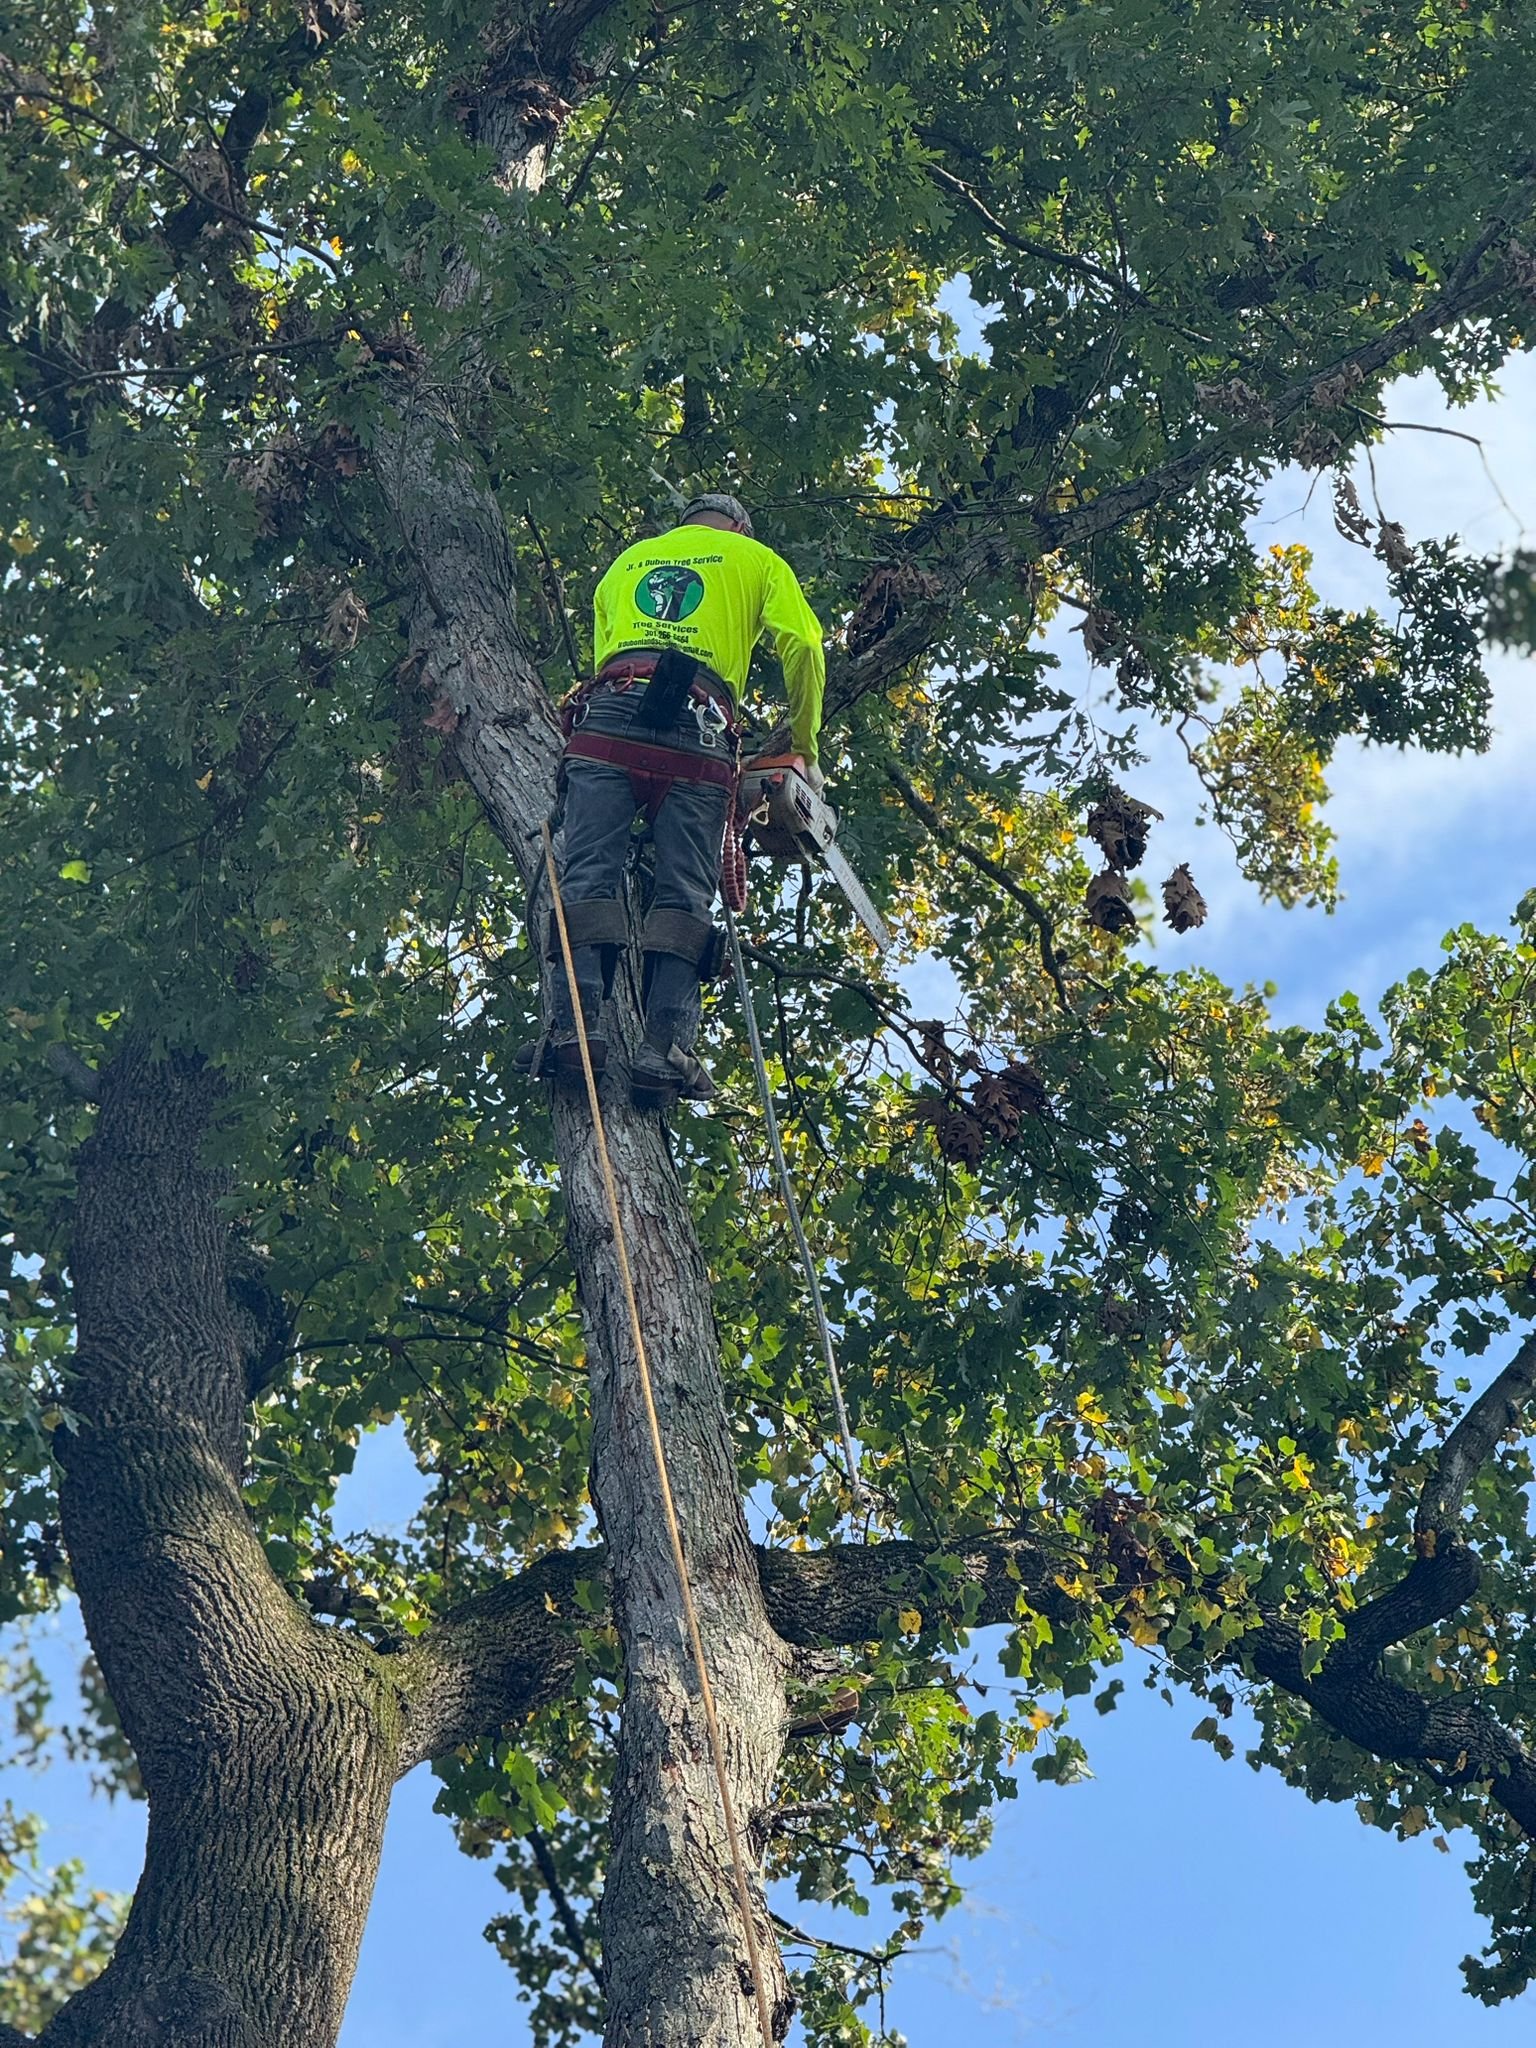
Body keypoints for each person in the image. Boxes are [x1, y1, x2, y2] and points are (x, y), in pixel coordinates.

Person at [529, 492, 826, 1111]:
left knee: (587, 875)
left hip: (608, 718)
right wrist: (804, 746)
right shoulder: (755, 558)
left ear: (683, 526)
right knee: (685, 894)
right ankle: (662, 1052)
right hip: (700, 731)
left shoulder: (630, 561)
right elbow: (802, 644)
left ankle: (576, 1029)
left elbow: (605, 656)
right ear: (739, 527)